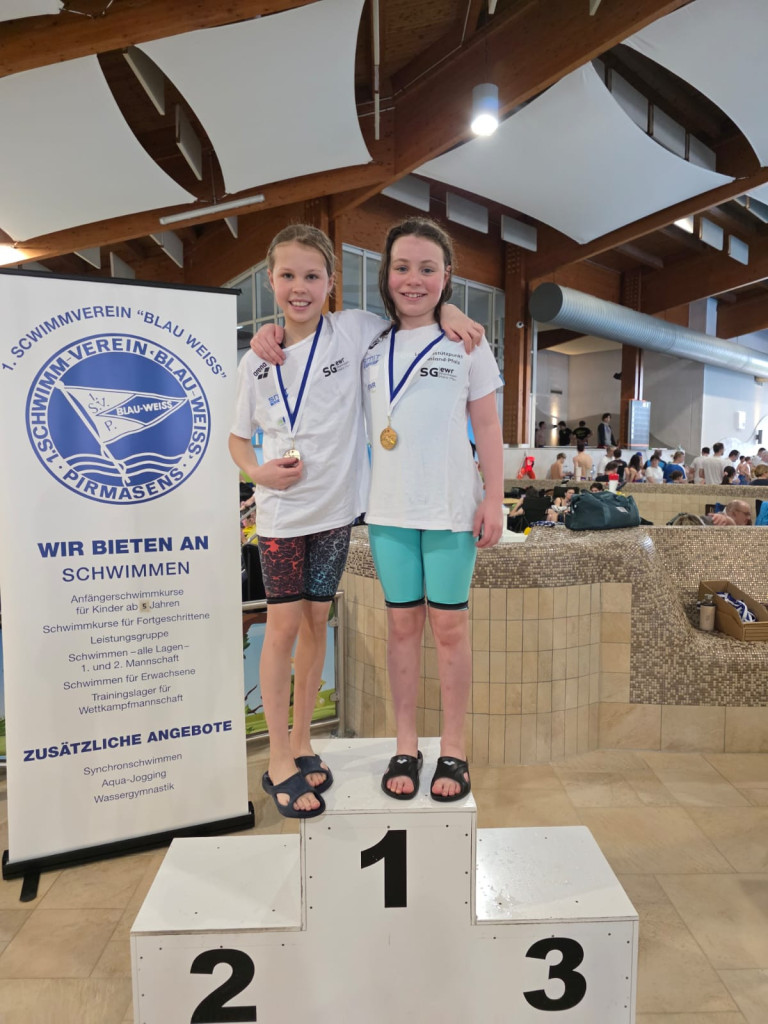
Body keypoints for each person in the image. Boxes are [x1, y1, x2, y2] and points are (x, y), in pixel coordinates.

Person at [232, 224, 479, 818]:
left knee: (317, 624)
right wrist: (256, 472)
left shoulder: (357, 331)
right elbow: (237, 439)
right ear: (270, 281)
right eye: (287, 276)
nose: (299, 287)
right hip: (283, 516)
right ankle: (277, 760)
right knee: (282, 628)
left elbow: (412, 310)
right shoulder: (256, 359)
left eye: (312, 276)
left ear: (331, 283)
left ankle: (301, 742)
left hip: (337, 514)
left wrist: (450, 308)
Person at [362, 217, 504, 802]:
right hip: (388, 511)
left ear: (447, 275)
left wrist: (493, 497)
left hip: (450, 508)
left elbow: (487, 425)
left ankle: (454, 748)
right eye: (402, 267)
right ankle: (405, 743)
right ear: (386, 273)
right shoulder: (370, 343)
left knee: (449, 626)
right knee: (401, 625)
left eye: (427, 268)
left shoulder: (467, 342)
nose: (413, 279)